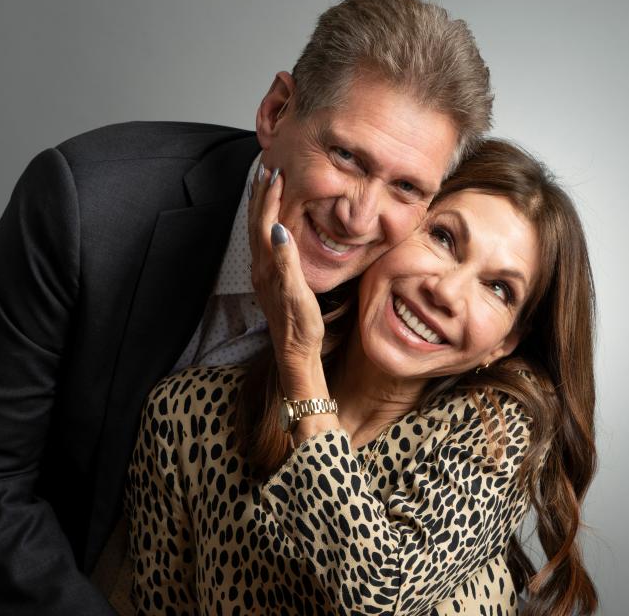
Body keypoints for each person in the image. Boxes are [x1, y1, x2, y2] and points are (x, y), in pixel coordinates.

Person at [0, 0, 492, 615]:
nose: (360, 215)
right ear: (276, 111)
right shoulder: (86, 205)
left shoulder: (402, 306)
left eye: (407, 188)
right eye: (347, 156)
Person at [119, 140, 598, 615]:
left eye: (498, 288)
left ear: (505, 343)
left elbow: (377, 594)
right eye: (444, 238)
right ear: (390, 229)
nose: (446, 292)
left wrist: (300, 364)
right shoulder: (187, 414)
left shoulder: (498, 432)